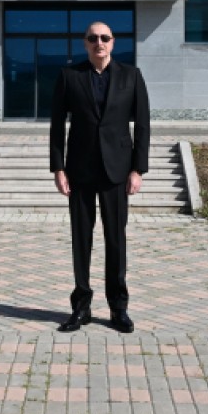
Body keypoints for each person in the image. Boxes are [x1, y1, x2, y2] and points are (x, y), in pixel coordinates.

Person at [49, 21, 151, 334]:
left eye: (105, 37)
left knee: (115, 240)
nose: (99, 43)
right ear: (85, 43)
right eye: (93, 38)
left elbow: (143, 126)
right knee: (81, 240)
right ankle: (81, 307)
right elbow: (57, 125)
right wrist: (58, 168)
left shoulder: (131, 76)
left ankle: (118, 308)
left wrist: (138, 169)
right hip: (80, 170)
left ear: (113, 42)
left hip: (117, 171)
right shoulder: (70, 76)